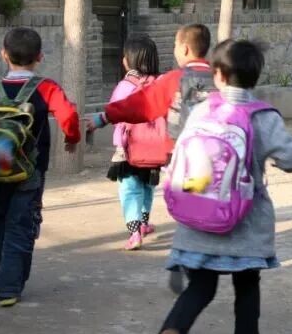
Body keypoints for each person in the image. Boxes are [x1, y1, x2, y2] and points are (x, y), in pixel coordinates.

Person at [92, 39, 292, 334]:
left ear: (217, 75)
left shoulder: (201, 110)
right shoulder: (263, 116)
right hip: (245, 222)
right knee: (247, 284)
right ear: (256, 76)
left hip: (198, 218)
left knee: (201, 287)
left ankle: (173, 332)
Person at [0, 27, 80, 307]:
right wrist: (72, 139)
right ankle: (8, 289)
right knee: (20, 225)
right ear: (40, 56)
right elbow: (68, 115)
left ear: (3, 55)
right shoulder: (46, 88)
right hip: (29, 171)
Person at [85, 25, 214, 273]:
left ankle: (187, 255)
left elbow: (139, 105)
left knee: (182, 202)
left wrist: (104, 117)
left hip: (181, 157)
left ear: (185, 49)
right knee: (201, 201)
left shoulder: (172, 80)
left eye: (175, 45)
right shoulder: (220, 78)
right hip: (212, 158)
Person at [106, 35, 165, 251]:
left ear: (127, 61)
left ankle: (134, 233)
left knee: (130, 190)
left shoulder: (125, 86)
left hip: (128, 149)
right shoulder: (160, 83)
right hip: (154, 148)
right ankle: (144, 223)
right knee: (148, 186)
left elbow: (114, 114)